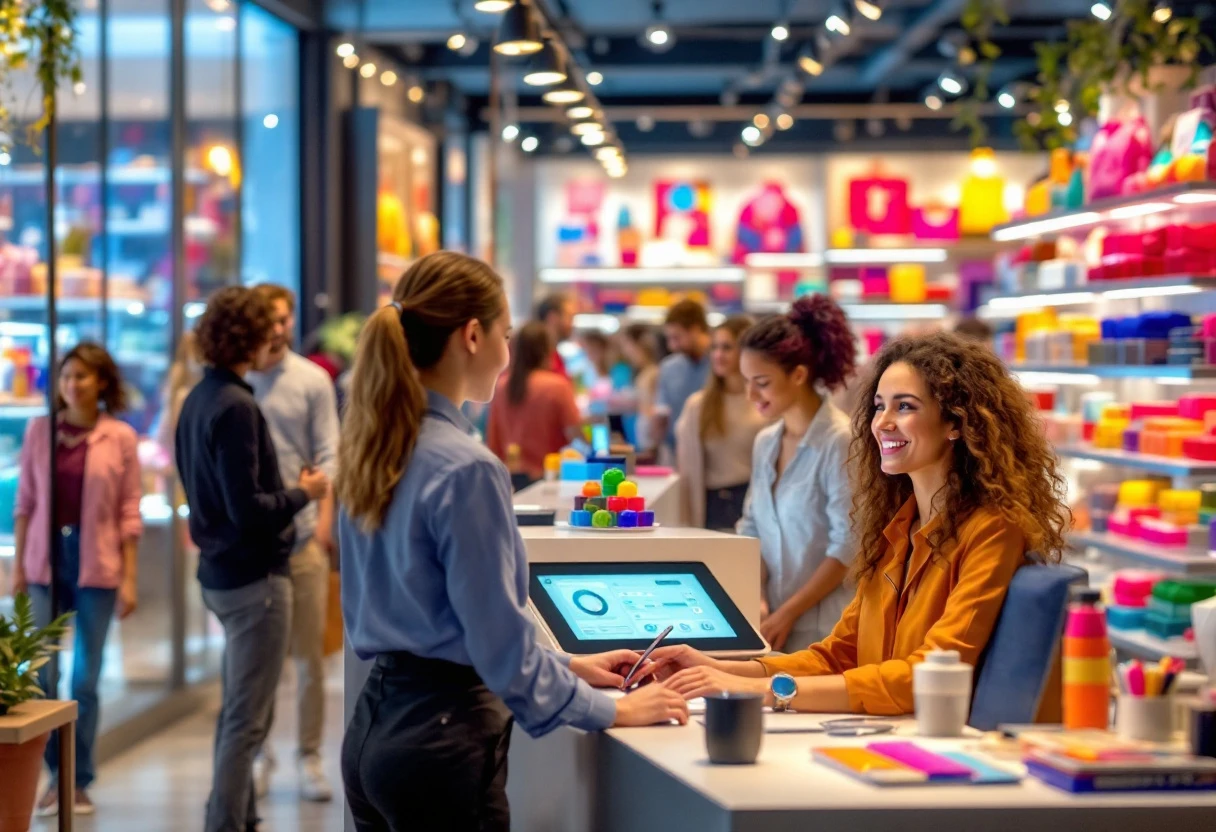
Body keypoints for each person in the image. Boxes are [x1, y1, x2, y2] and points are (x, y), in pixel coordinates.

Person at [336, 252, 688, 831]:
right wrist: (614, 711)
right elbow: (496, 643)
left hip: (374, 731)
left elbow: (443, 623)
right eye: (504, 335)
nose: (506, 353)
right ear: (472, 336)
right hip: (442, 744)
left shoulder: (375, 449)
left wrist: (567, 664)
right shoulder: (467, 468)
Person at [652, 332, 1072, 716]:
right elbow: (838, 655)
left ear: (956, 423)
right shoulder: (897, 528)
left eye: (904, 406)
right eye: (879, 406)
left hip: (937, 744)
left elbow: (926, 676)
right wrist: (718, 668)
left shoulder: (993, 528)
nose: (882, 422)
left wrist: (761, 690)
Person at [175, 286, 330, 832]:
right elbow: (250, 510)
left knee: (240, 709)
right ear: (251, 337)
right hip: (254, 579)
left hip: (221, 574)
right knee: (247, 718)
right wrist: (305, 493)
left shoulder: (199, 399)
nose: (277, 337)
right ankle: (226, 821)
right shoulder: (237, 407)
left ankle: (239, 815)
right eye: (269, 329)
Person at [13, 343, 143, 817]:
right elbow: (25, 502)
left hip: (96, 564)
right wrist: (18, 570)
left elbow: (129, 510)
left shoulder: (119, 437)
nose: (73, 385)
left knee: (85, 679)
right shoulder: (39, 431)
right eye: (66, 376)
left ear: (101, 382)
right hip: (45, 562)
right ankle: (53, 776)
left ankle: (77, 780)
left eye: (82, 377)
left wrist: (129, 578)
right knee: (43, 676)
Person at [247, 284, 341, 803]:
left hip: (302, 537)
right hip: (251, 543)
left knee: (309, 658)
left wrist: (323, 522)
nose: (280, 328)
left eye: (286, 319)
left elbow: (330, 453)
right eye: (271, 319)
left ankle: (309, 756)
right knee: (257, 662)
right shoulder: (237, 380)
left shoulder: (311, 380)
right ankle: (259, 754)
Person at [731, 297, 858, 652]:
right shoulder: (766, 442)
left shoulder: (841, 440)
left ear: (799, 375)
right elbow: (752, 528)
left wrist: (788, 613)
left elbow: (848, 546)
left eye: (761, 382)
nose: (750, 394)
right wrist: (757, 597)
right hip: (771, 622)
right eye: (746, 381)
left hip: (825, 627)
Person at [675, 315, 768, 530]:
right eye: (714, 347)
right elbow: (686, 470)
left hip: (753, 504)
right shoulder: (698, 406)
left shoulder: (765, 404)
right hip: (710, 507)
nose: (718, 355)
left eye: (727, 347)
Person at [486, 322, 581, 482]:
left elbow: (493, 442)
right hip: (548, 478)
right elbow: (575, 436)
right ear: (547, 350)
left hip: (509, 478)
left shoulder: (501, 387)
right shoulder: (557, 386)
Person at [653, 299, 712, 459]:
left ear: (695, 330)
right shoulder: (669, 368)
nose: (672, 346)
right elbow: (662, 413)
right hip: (677, 452)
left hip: (716, 452)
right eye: (669, 339)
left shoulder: (721, 364)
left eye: (676, 337)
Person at [618, 323, 660, 456]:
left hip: (649, 446)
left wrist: (651, 448)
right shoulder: (644, 374)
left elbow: (651, 414)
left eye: (626, 345)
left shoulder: (652, 374)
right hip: (641, 444)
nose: (625, 351)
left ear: (638, 344)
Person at [535, 292, 576, 378]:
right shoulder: (535, 355)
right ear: (552, 317)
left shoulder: (554, 355)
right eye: (569, 316)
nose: (572, 324)